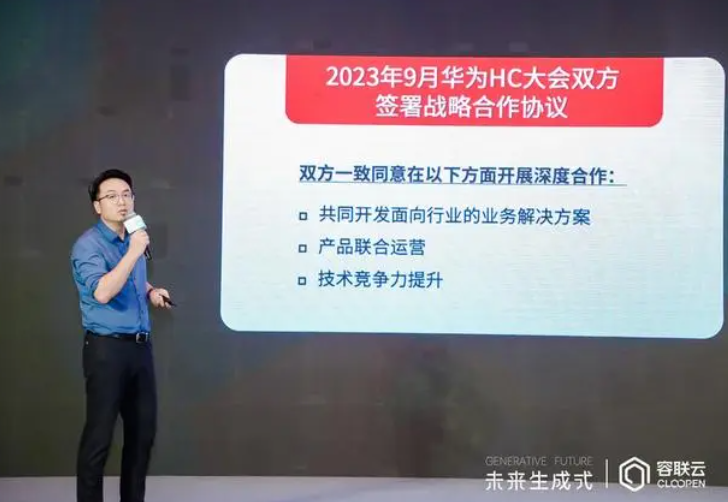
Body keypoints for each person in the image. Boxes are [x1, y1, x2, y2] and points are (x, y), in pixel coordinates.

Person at [70, 169, 172, 502]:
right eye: (111, 196)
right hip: (106, 350)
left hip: (140, 349)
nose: (122, 201)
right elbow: (102, 291)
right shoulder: (88, 246)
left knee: (142, 436)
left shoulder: (132, 237)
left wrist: (151, 290)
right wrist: (133, 252)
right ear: (97, 206)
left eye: (127, 194)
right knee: (99, 439)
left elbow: (129, 279)